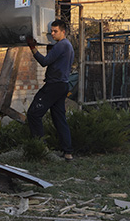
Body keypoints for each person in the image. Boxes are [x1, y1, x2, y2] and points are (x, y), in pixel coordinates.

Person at [26, 19, 74, 161]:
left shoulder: (62, 45)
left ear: (63, 32)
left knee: (33, 114)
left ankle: (41, 149)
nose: (52, 34)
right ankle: (68, 152)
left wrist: (32, 47)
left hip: (53, 86)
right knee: (59, 119)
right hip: (62, 85)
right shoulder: (68, 46)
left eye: (55, 31)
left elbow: (44, 62)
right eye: (51, 31)